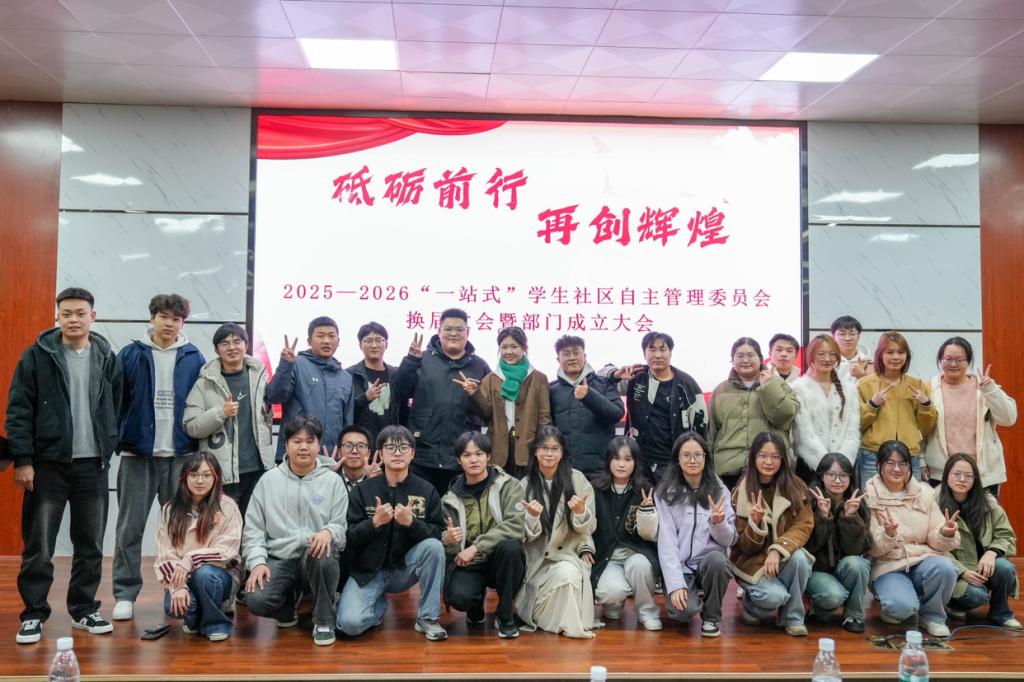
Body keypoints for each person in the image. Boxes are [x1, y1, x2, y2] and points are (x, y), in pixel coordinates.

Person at [8, 287, 122, 645]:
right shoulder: (37, 356)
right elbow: (18, 409)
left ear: (93, 316)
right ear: (57, 316)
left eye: (80, 313)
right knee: (39, 545)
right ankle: (33, 614)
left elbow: (118, 402)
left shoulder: (106, 355)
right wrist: (23, 460)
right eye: (66, 313)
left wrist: (109, 440)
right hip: (48, 466)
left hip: (93, 465)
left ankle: (83, 609)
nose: (73, 319)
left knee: (90, 544)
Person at [111, 293, 205, 621]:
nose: (169, 323)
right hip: (137, 455)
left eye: (176, 319)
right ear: (151, 318)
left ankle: (176, 587)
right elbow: (115, 401)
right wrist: (120, 437)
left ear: (183, 323)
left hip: (180, 457)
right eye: (163, 316)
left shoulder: (193, 357)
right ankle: (125, 593)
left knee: (180, 529)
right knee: (129, 529)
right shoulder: (131, 354)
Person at [242, 416, 347, 646]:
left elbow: (341, 526)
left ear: (319, 444)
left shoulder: (332, 481)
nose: (303, 447)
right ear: (286, 444)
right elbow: (253, 529)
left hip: (314, 557)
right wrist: (257, 562)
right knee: (256, 598)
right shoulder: (268, 481)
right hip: (279, 558)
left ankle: (324, 620)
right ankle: (287, 606)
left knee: (324, 553)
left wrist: (328, 531)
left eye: (310, 441)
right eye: (297, 441)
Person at [337, 425, 448, 641]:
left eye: (403, 447)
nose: (397, 453)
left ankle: (427, 618)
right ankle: (377, 605)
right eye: (390, 448)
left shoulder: (426, 490)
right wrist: (374, 523)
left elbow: (438, 534)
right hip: (368, 571)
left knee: (433, 547)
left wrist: (412, 523)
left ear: (412, 453)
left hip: (404, 569)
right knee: (349, 625)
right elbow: (348, 538)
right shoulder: (363, 490)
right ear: (380, 453)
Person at [864, 439, 960, 638]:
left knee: (946, 567)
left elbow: (936, 539)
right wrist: (888, 534)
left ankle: (933, 616)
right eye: (890, 463)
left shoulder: (924, 493)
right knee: (900, 608)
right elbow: (872, 549)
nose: (897, 469)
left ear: (910, 466)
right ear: (879, 465)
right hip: (889, 566)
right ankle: (896, 606)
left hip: (923, 560)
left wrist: (945, 532)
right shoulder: (869, 497)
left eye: (903, 463)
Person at [393, 308, 490, 493]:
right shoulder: (421, 359)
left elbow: (488, 411)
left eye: (459, 329)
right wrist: (410, 362)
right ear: (439, 331)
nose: (453, 333)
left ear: (468, 332)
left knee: (457, 509)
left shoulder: (480, 366)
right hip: (423, 455)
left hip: (462, 456)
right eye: (448, 329)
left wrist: (474, 393)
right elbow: (399, 392)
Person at [440, 431, 526, 639]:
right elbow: (447, 544)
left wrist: (477, 546)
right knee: (459, 597)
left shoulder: (509, 485)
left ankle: (505, 615)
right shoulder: (449, 498)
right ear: (459, 460)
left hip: (499, 559)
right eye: (467, 455)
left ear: (488, 456)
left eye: (479, 454)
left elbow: (516, 525)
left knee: (511, 548)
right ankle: (475, 604)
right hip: (470, 563)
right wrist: (448, 540)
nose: (474, 460)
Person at [515, 426, 597, 639]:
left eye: (555, 448)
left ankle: (567, 624)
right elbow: (521, 535)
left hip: (568, 555)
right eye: (544, 448)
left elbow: (588, 529)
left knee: (567, 573)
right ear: (535, 451)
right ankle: (557, 622)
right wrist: (532, 517)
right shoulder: (523, 485)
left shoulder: (578, 480)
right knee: (560, 577)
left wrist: (580, 512)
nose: (549, 454)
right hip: (536, 562)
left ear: (562, 453)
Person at [183, 323, 273, 518]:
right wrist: (220, 412)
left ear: (246, 345)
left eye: (237, 341)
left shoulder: (260, 378)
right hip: (221, 473)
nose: (232, 347)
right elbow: (191, 426)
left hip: (258, 469)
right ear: (217, 350)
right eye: (225, 343)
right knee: (219, 527)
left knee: (253, 527)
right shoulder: (204, 383)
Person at [730, 432, 813, 637]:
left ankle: (793, 618)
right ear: (753, 457)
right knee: (774, 597)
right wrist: (755, 523)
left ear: (783, 459)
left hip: (783, 557)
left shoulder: (796, 485)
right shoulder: (741, 490)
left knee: (801, 559)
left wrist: (777, 549)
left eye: (775, 456)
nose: (769, 462)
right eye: (763, 456)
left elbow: (804, 524)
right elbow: (743, 546)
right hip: (753, 562)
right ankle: (751, 606)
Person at [154, 452, 242, 642]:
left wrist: (190, 559)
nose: (200, 480)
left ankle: (215, 623)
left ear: (216, 477)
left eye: (206, 475)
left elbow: (227, 551)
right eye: (193, 475)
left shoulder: (228, 507)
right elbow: (164, 555)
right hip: (183, 577)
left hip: (219, 575)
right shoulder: (170, 509)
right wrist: (177, 587)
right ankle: (194, 619)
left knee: (205, 574)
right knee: (174, 606)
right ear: (184, 477)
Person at [655, 432, 735, 638]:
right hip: (680, 567)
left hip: (708, 564)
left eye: (698, 455)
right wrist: (675, 584)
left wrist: (718, 524)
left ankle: (711, 618)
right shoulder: (664, 493)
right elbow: (666, 542)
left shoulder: (719, 490)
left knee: (718, 560)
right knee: (682, 613)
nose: (693, 460)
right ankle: (688, 595)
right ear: (677, 459)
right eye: (686, 455)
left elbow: (729, 540)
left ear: (706, 458)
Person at [924, 337, 1017, 494]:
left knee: (984, 511)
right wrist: (921, 460)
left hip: (982, 473)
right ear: (940, 360)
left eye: (959, 360)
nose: (953, 364)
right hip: (942, 473)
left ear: (968, 361)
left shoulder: (982, 387)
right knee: (943, 511)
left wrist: (990, 390)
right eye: (948, 359)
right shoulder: (929, 389)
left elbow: (1009, 419)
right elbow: (921, 428)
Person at [938, 453, 1020, 628]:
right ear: (946, 475)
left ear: (975, 479)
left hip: (984, 566)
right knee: (976, 595)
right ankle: (956, 606)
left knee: (1004, 567)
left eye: (969, 476)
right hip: (957, 571)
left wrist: (992, 553)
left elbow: (1006, 535)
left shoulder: (988, 503)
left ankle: (1001, 613)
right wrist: (962, 571)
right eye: (957, 474)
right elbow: (933, 548)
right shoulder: (934, 503)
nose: (962, 480)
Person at [590, 436, 661, 631]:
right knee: (611, 591)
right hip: (607, 556)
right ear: (608, 460)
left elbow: (649, 535)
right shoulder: (595, 488)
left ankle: (647, 611)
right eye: (616, 458)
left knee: (641, 566)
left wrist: (646, 511)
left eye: (628, 459)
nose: (621, 464)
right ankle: (614, 604)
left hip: (636, 553)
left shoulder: (645, 490)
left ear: (636, 462)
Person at [709, 338, 800, 490]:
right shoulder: (720, 390)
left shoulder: (777, 383)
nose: (745, 360)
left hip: (769, 469)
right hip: (728, 470)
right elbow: (711, 432)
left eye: (750, 355)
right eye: (740, 356)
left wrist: (768, 387)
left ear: (760, 358)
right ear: (732, 360)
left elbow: (784, 417)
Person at [465, 326, 551, 478]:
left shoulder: (538, 378)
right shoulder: (490, 379)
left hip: (528, 448)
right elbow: (486, 415)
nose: (508, 352)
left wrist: (543, 447)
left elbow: (544, 418)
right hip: (498, 449)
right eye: (504, 347)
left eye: (514, 347)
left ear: (524, 348)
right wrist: (474, 394)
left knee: (526, 490)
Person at [266, 316, 353, 462]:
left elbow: (348, 421)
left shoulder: (345, 377)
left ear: (338, 341)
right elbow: (274, 397)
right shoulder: (296, 364)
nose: (326, 341)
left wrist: (344, 450)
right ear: (309, 341)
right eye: (320, 336)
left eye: (331, 336)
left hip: (331, 457)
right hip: (297, 454)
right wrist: (285, 366)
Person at [622, 332, 708, 480]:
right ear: (644, 353)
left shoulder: (686, 383)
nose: (658, 355)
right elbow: (602, 381)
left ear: (670, 352)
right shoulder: (636, 377)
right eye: (652, 349)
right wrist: (615, 375)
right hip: (639, 462)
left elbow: (701, 427)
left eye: (663, 349)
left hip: (674, 463)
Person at [857, 331, 937, 487]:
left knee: (911, 499)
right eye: (889, 352)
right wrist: (873, 405)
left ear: (907, 356)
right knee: (872, 499)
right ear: (880, 355)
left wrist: (925, 404)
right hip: (873, 455)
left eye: (901, 352)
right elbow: (856, 425)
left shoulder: (917, 385)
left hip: (908, 455)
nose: (896, 357)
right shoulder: (864, 384)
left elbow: (926, 428)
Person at [804, 453, 871, 633]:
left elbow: (858, 549)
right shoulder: (809, 501)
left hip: (843, 569)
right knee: (833, 597)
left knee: (858, 564)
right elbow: (808, 546)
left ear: (850, 478)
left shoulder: (857, 504)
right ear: (821, 476)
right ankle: (817, 604)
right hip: (816, 570)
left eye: (843, 475)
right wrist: (822, 516)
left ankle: (854, 615)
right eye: (831, 474)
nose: (837, 480)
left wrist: (849, 517)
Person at [548, 335, 624, 478]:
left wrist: (589, 396)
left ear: (585, 356)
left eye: (576, 353)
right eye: (566, 354)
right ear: (558, 359)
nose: (572, 358)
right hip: (563, 469)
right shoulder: (551, 390)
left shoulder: (604, 383)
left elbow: (617, 414)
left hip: (600, 468)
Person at [791, 334, 860, 480]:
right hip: (809, 464)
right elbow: (803, 432)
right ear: (811, 356)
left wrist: (841, 462)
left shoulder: (849, 389)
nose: (827, 359)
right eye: (821, 354)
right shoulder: (798, 388)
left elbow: (852, 431)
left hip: (843, 466)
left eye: (832, 354)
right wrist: (827, 465)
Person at [347, 322, 402, 444]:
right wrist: (365, 398)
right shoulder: (349, 375)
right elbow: (344, 411)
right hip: (360, 444)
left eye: (379, 340)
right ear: (360, 345)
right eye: (368, 341)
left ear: (386, 344)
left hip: (391, 443)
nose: (374, 345)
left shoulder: (396, 374)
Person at [332, 424, 381, 494]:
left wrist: (372, 483)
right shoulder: (330, 477)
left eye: (360, 446)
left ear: (368, 453)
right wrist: (327, 477)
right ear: (339, 452)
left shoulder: (378, 480)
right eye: (348, 446)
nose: (354, 451)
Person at [831, 315, 872, 381]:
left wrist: (862, 376)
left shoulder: (868, 362)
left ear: (858, 336)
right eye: (842, 334)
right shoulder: (826, 361)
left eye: (852, 334)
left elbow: (876, 386)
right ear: (833, 337)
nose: (847, 338)